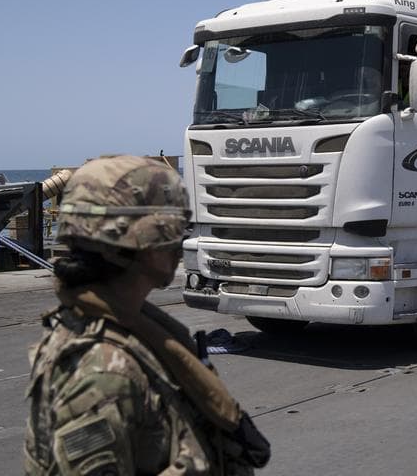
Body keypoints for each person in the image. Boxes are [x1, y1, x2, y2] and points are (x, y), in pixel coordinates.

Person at [24, 155, 270, 475]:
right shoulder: (102, 371)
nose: (180, 242)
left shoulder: (129, 327)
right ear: (139, 239)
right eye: (173, 228)